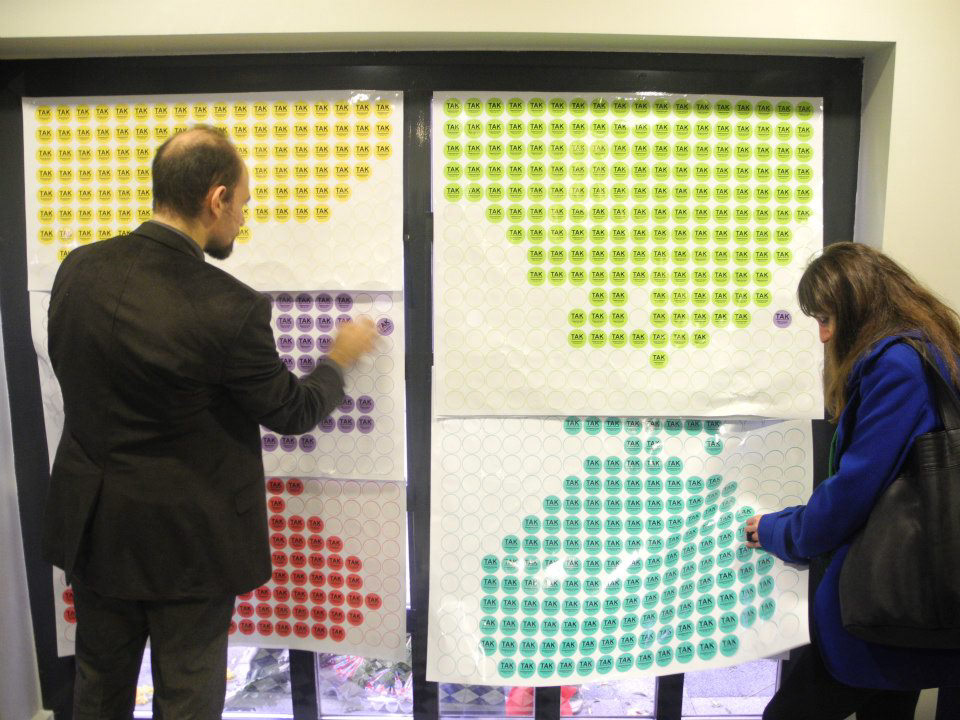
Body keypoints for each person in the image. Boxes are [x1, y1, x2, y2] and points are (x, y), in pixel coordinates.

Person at [42, 125, 378, 720]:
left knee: (97, 686)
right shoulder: (229, 307)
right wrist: (338, 359)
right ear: (216, 199)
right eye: (243, 203)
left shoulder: (78, 269)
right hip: (188, 547)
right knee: (188, 699)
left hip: (94, 527)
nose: (243, 219)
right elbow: (292, 411)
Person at [744, 242, 960, 719]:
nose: (823, 335)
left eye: (827, 319)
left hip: (879, 607)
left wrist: (780, 530)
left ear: (860, 309)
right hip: (914, 604)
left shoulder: (899, 367)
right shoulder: (934, 348)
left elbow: (852, 494)